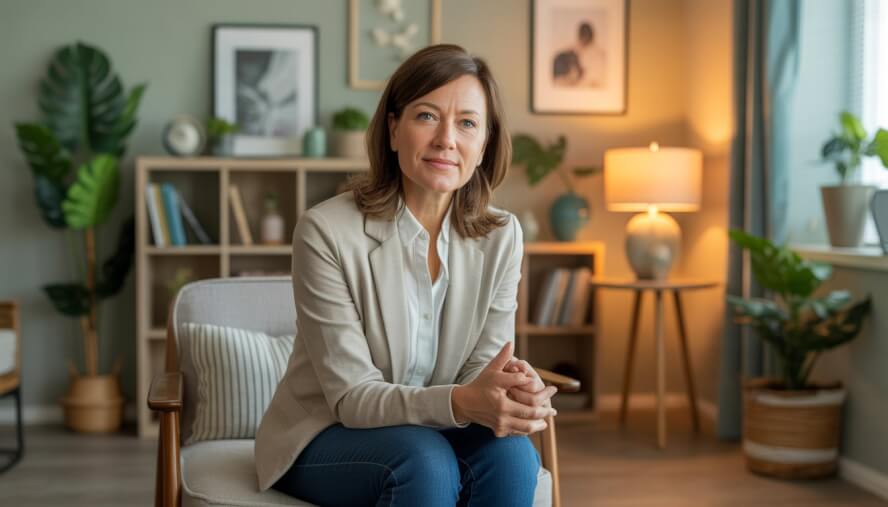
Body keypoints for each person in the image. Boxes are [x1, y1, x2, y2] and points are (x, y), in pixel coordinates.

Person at [255, 44, 558, 506]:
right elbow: (353, 398)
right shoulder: (326, 231)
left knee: (514, 456)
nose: (446, 140)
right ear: (394, 129)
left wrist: (513, 387)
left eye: (467, 123)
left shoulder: (503, 235)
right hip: (326, 435)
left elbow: (483, 363)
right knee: (425, 460)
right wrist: (459, 403)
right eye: (427, 117)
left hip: (438, 430)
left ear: (485, 145)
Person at [552, 21, 606, 88]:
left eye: (586, 35)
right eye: (582, 35)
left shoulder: (598, 53)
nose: (584, 39)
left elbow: (594, 79)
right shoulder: (572, 49)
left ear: (591, 36)